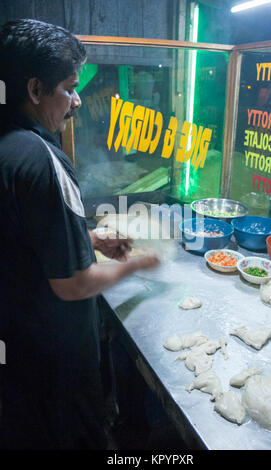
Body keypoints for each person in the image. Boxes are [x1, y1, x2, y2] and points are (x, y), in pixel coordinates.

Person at [0, 18, 159, 450]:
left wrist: (89, 238)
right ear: (35, 90)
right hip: (55, 364)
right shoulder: (42, 158)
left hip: (16, 354)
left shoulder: (8, 143)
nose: (78, 100)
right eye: (69, 87)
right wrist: (148, 262)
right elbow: (75, 285)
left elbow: (24, 238)